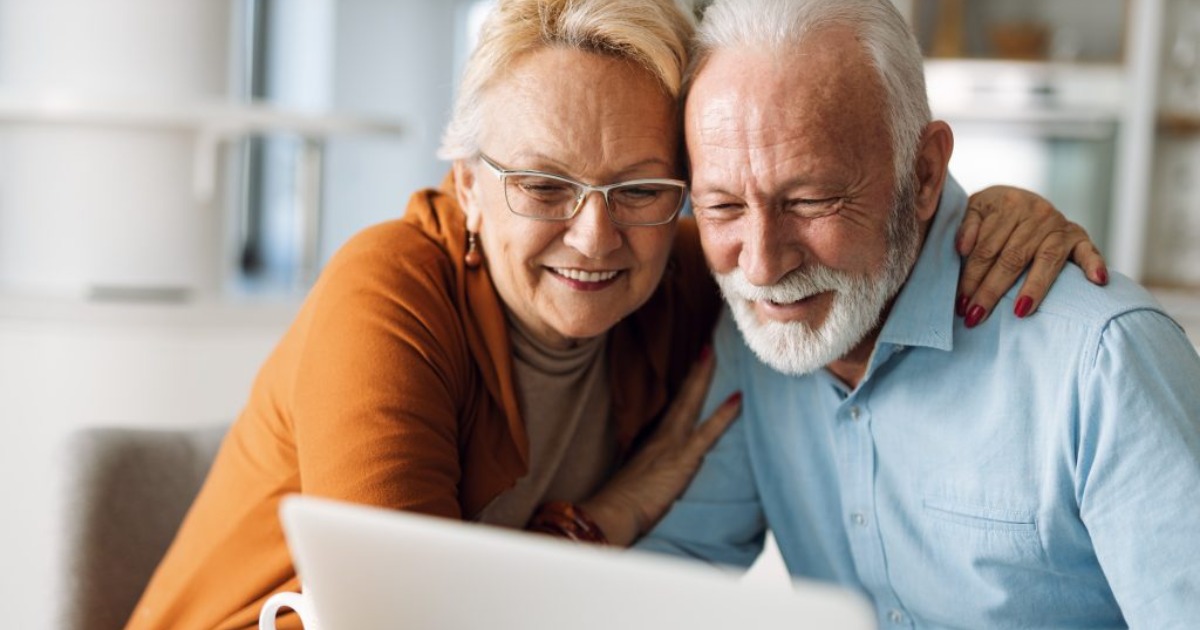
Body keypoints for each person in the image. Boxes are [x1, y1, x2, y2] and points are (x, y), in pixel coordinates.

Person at [126, 1, 1107, 628]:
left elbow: (827, 224)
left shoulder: (689, 277)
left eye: (643, 188)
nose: (596, 237)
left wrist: (989, 215)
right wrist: (608, 516)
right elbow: (405, 622)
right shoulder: (388, 297)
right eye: (544, 184)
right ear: (466, 185)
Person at [636, 0, 1200, 627]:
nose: (764, 266)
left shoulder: (1101, 363)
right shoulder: (762, 337)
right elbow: (661, 580)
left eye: (812, 199)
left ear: (925, 172)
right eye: (722, 207)